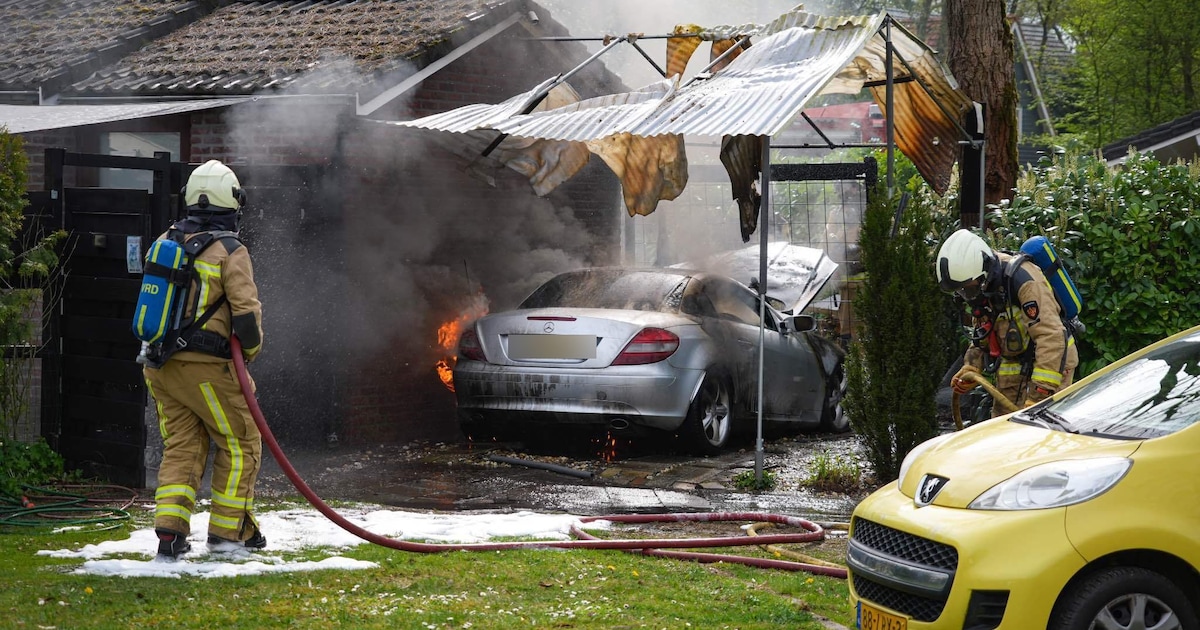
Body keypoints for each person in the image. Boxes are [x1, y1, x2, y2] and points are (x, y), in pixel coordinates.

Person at [143, 160, 265, 560]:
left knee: (182, 445)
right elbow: (246, 317)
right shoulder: (230, 250)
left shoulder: (165, 240)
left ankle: (169, 535)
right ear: (233, 202)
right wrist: (247, 356)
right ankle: (229, 537)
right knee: (240, 442)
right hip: (207, 369)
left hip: (159, 366)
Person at [935, 229, 1078, 417]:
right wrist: (971, 365)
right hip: (1013, 364)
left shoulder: (1024, 281)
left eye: (967, 289)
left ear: (983, 273)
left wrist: (1039, 394)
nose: (966, 296)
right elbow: (984, 330)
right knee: (1002, 430)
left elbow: (1051, 336)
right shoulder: (982, 285)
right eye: (960, 291)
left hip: (1052, 363)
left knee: (1040, 428)